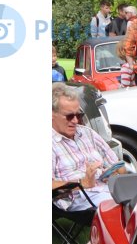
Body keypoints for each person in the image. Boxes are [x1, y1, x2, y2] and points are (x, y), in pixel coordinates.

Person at [52, 82, 124, 211]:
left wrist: (114, 174)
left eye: (78, 115)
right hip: (79, 197)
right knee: (124, 206)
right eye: (69, 116)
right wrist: (82, 183)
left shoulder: (87, 133)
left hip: (106, 188)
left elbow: (119, 166)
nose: (75, 121)